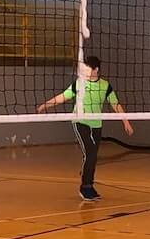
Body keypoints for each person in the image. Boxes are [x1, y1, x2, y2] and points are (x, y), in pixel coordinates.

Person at [36, 55, 134, 202]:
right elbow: (63, 96)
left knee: (92, 156)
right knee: (90, 154)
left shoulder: (105, 86)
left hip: (96, 124)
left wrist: (126, 122)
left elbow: (115, 104)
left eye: (88, 69)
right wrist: (45, 105)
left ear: (96, 70)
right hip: (80, 121)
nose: (85, 72)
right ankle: (85, 187)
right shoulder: (79, 84)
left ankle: (89, 184)